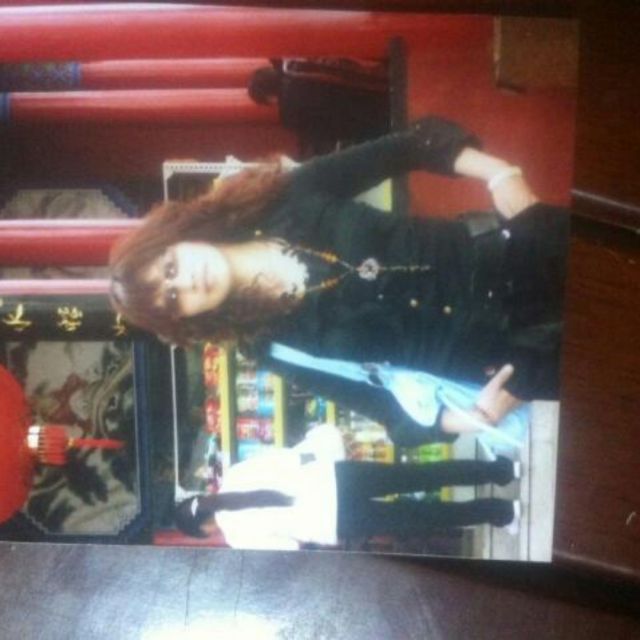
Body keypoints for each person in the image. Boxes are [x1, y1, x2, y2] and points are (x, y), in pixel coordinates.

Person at [109, 116, 569, 446]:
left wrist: (501, 174)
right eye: (174, 299)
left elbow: (413, 145)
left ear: (180, 236)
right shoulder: (269, 346)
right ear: (187, 320)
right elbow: (387, 414)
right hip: (508, 361)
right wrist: (473, 417)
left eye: (171, 267)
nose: (188, 282)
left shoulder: (286, 198)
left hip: (521, 254)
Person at [173, 425, 520, 549]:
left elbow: (289, 549)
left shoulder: (238, 537)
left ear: (204, 531)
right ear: (201, 497)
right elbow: (287, 456)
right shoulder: (235, 474)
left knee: (423, 516)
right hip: (336, 476)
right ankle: (502, 470)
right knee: (422, 474)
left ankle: (502, 512)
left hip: (334, 521)